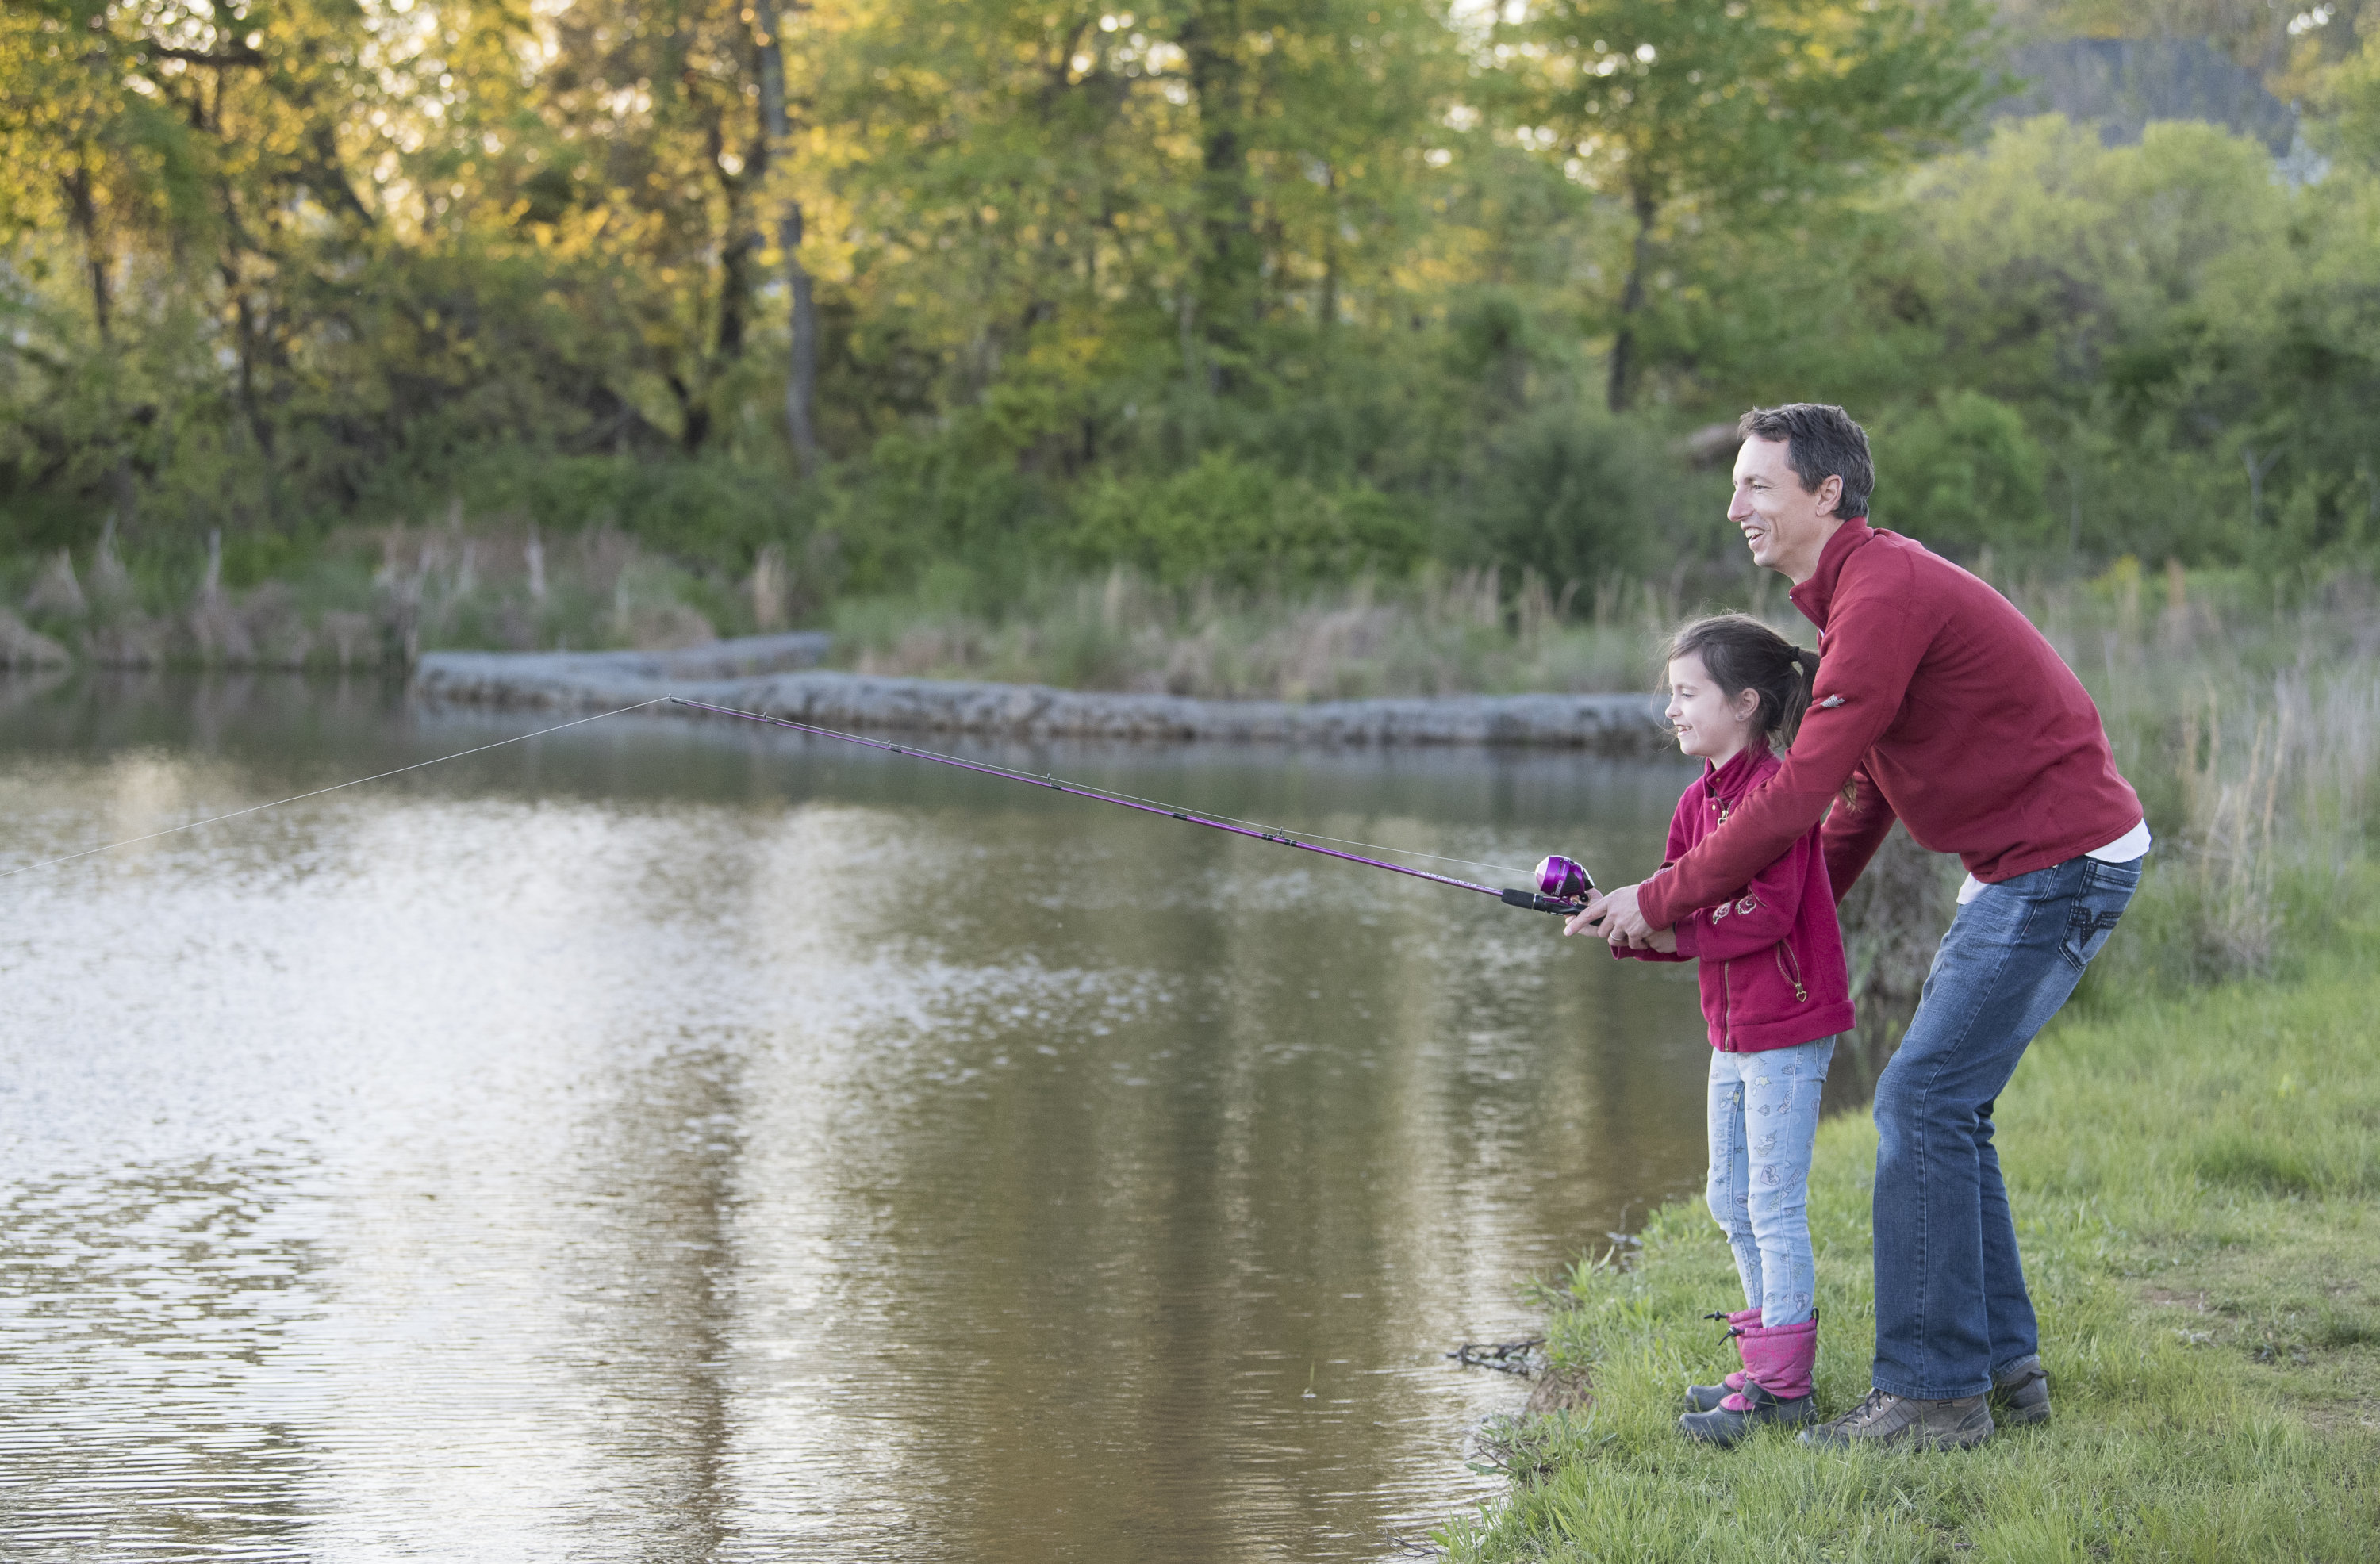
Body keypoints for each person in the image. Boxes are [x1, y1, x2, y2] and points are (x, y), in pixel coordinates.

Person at [1586, 404, 2148, 1451]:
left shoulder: (1882, 594)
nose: (1736, 505)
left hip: (2058, 863)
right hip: (2029, 865)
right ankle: (2001, 1364)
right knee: (1949, 1107)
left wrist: (1662, 896)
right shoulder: (1857, 605)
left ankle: (1934, 1396)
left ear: (1825, 494)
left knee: (1922, 1100)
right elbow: (1856, 806)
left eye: (1757, 485)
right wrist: (1747, 920)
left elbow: (1801, 791)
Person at [1574, 614, 1856, 1447]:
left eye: (1688, 693)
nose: (1673, 709)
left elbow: (1762, 916)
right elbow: (1676, 905)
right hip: (1731, 1034)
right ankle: (1764, 1355)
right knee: (1728, 1196)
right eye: (1672, 694)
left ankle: (1784, 1386)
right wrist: (1617, 924)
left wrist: (1669, 928)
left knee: (1773, 1201)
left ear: (1745, 703)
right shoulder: (1696, 804)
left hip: (1788, 1026)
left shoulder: (1779, 800)